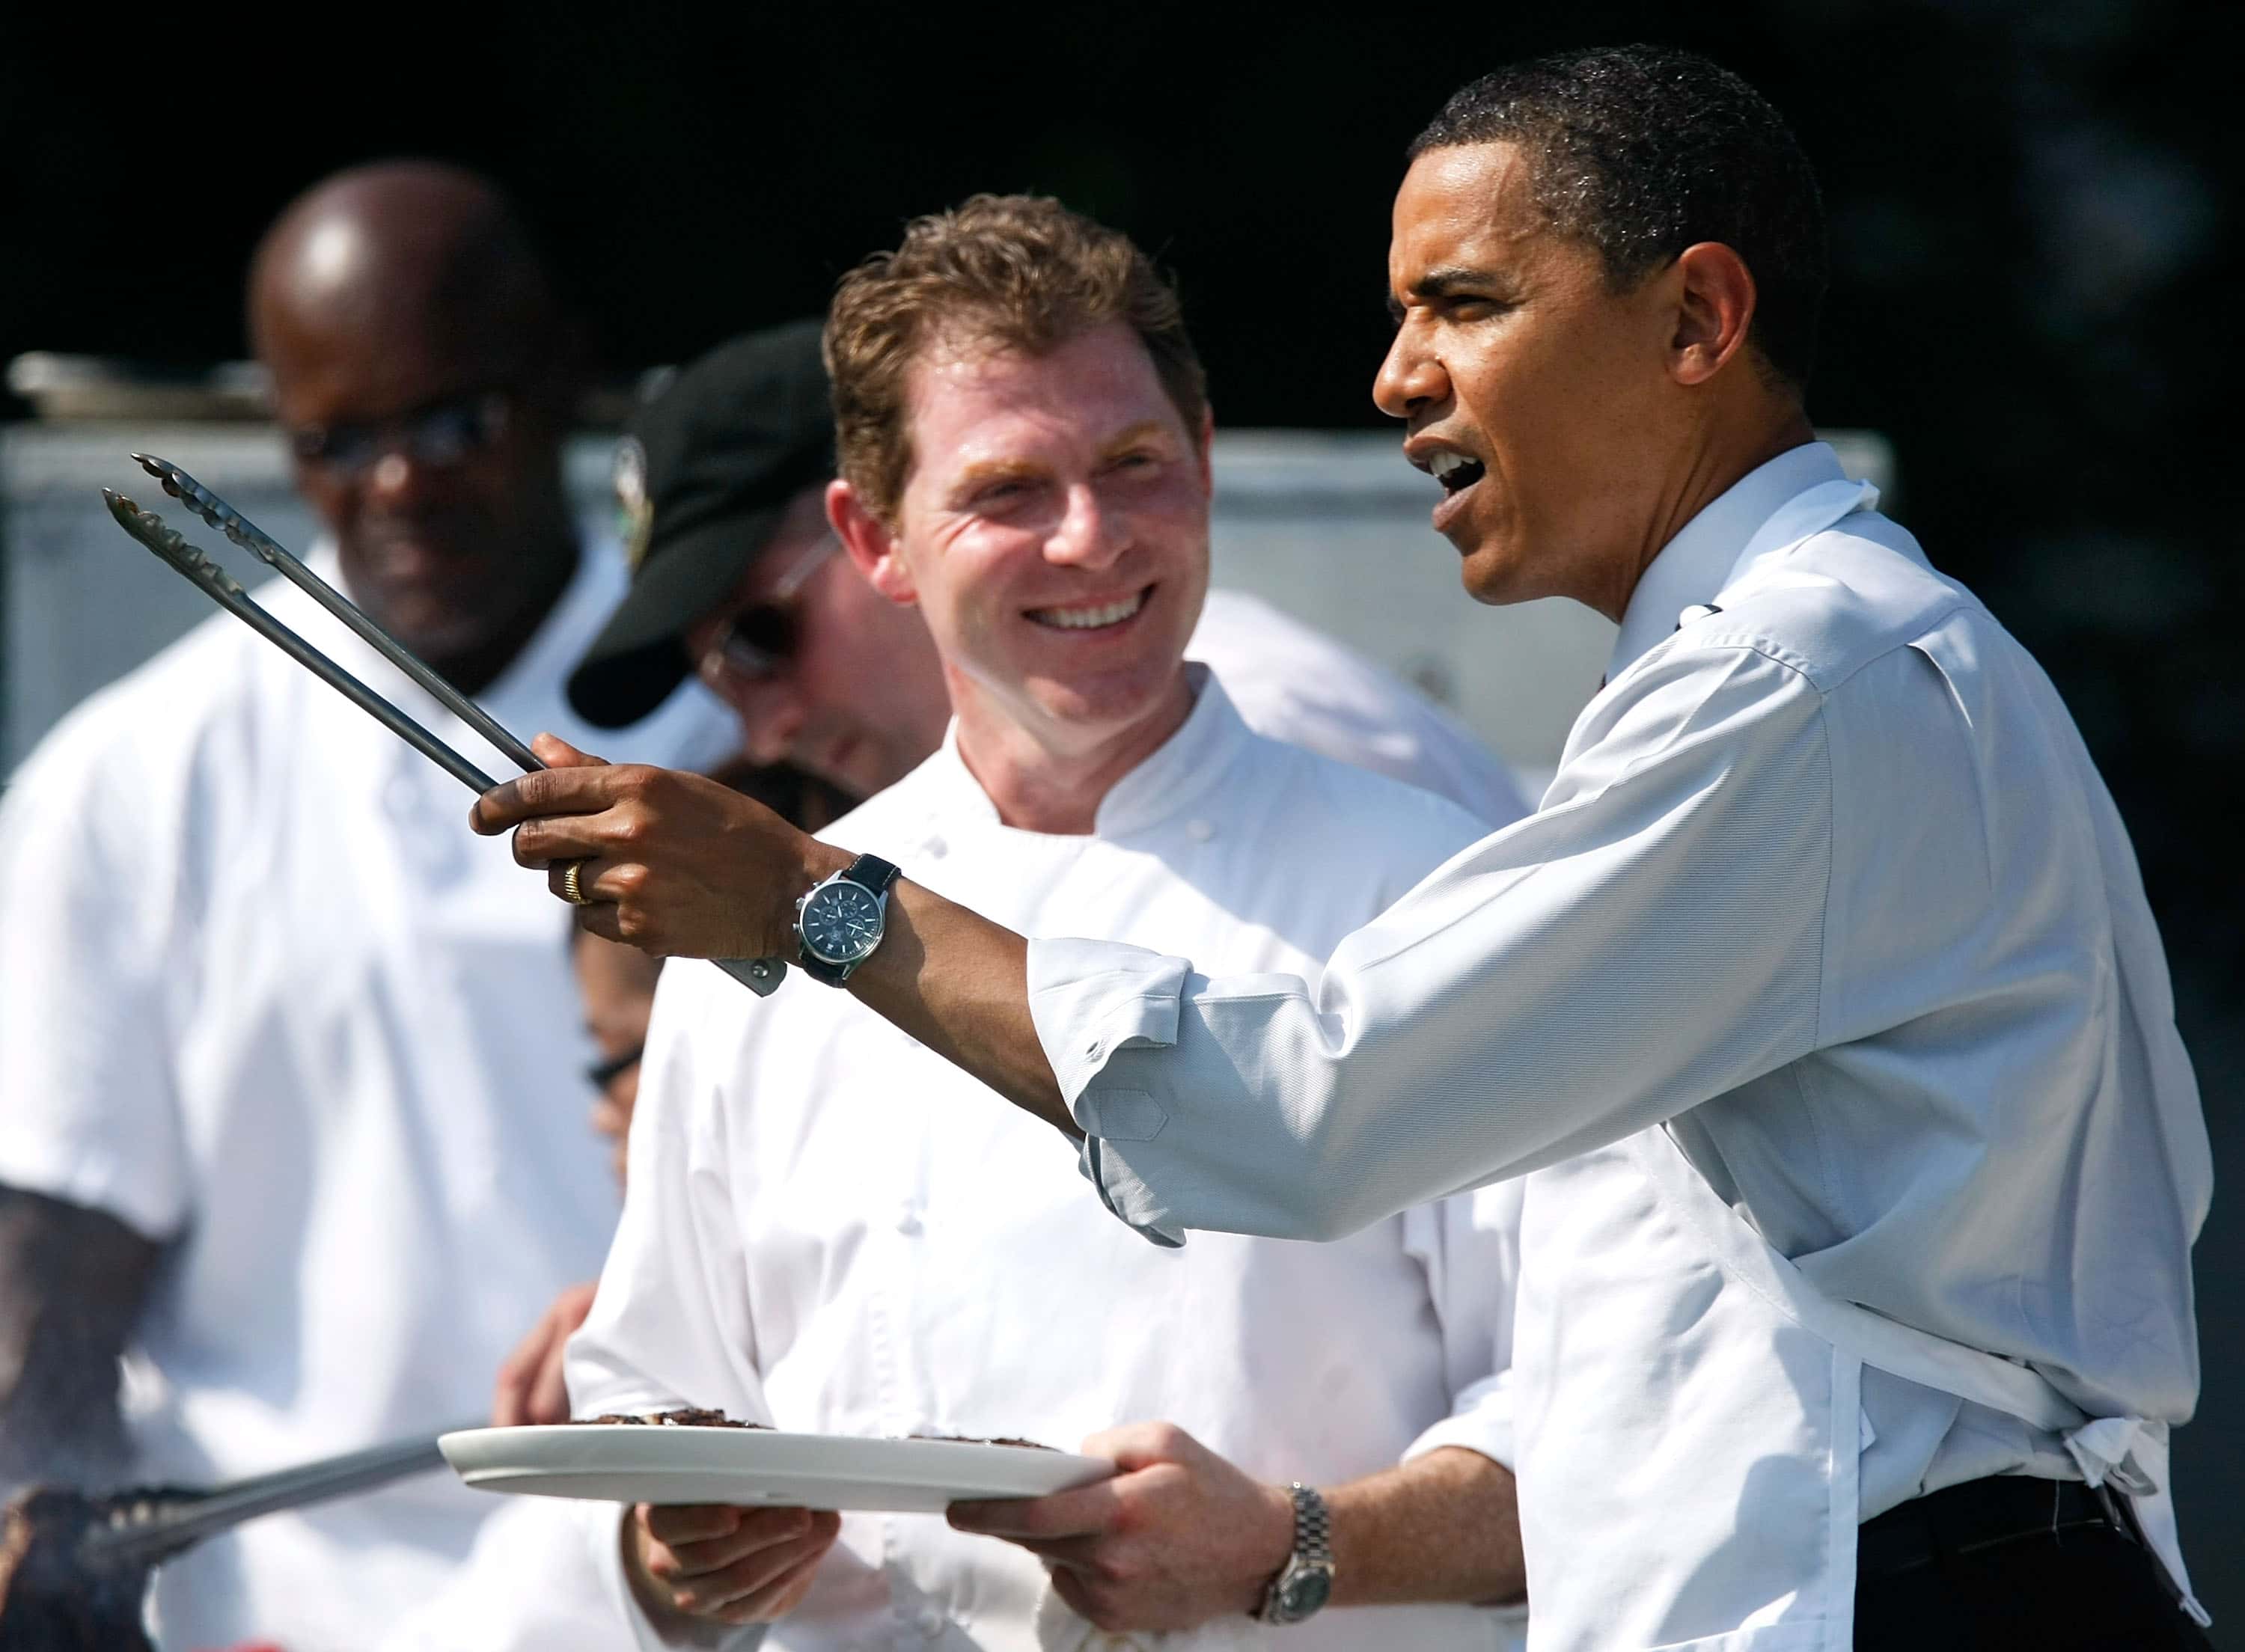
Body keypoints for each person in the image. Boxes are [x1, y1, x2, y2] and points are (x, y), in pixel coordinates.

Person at [474, 49, 2214, 1652]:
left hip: (1921, 1597)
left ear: (1698, 318)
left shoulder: (1792, 682)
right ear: (880, 539)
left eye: (1465, 303)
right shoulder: (1791, 669)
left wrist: (804, 901)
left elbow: (1302, 1118)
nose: (1396, 379)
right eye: (1009, 488)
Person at [555, 195, 1530, 1651]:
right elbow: (650, 1408)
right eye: (1008, 490)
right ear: (875, 538)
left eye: (1136, 465)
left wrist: (1286, 1546)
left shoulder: (1434, 890)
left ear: (1204, 465)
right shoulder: (756, 940)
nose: (1090, 539)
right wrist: (673, 1553)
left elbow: (1602, 1430)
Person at [0, 161, 736, 1651]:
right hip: (269, 1601)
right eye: (339, 441)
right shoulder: (134, 778)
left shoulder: (746, 717)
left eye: (454, 421)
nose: (399, 484)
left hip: (678, 1582)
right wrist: (38, 1528)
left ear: (561, 381)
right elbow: (51, 1259)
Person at [564, 322, 1528, 825]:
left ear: (876, 531)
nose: (765, 730)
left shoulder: (1270, 734)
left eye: (759, 638)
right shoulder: (1000, 800)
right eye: (715, 677)